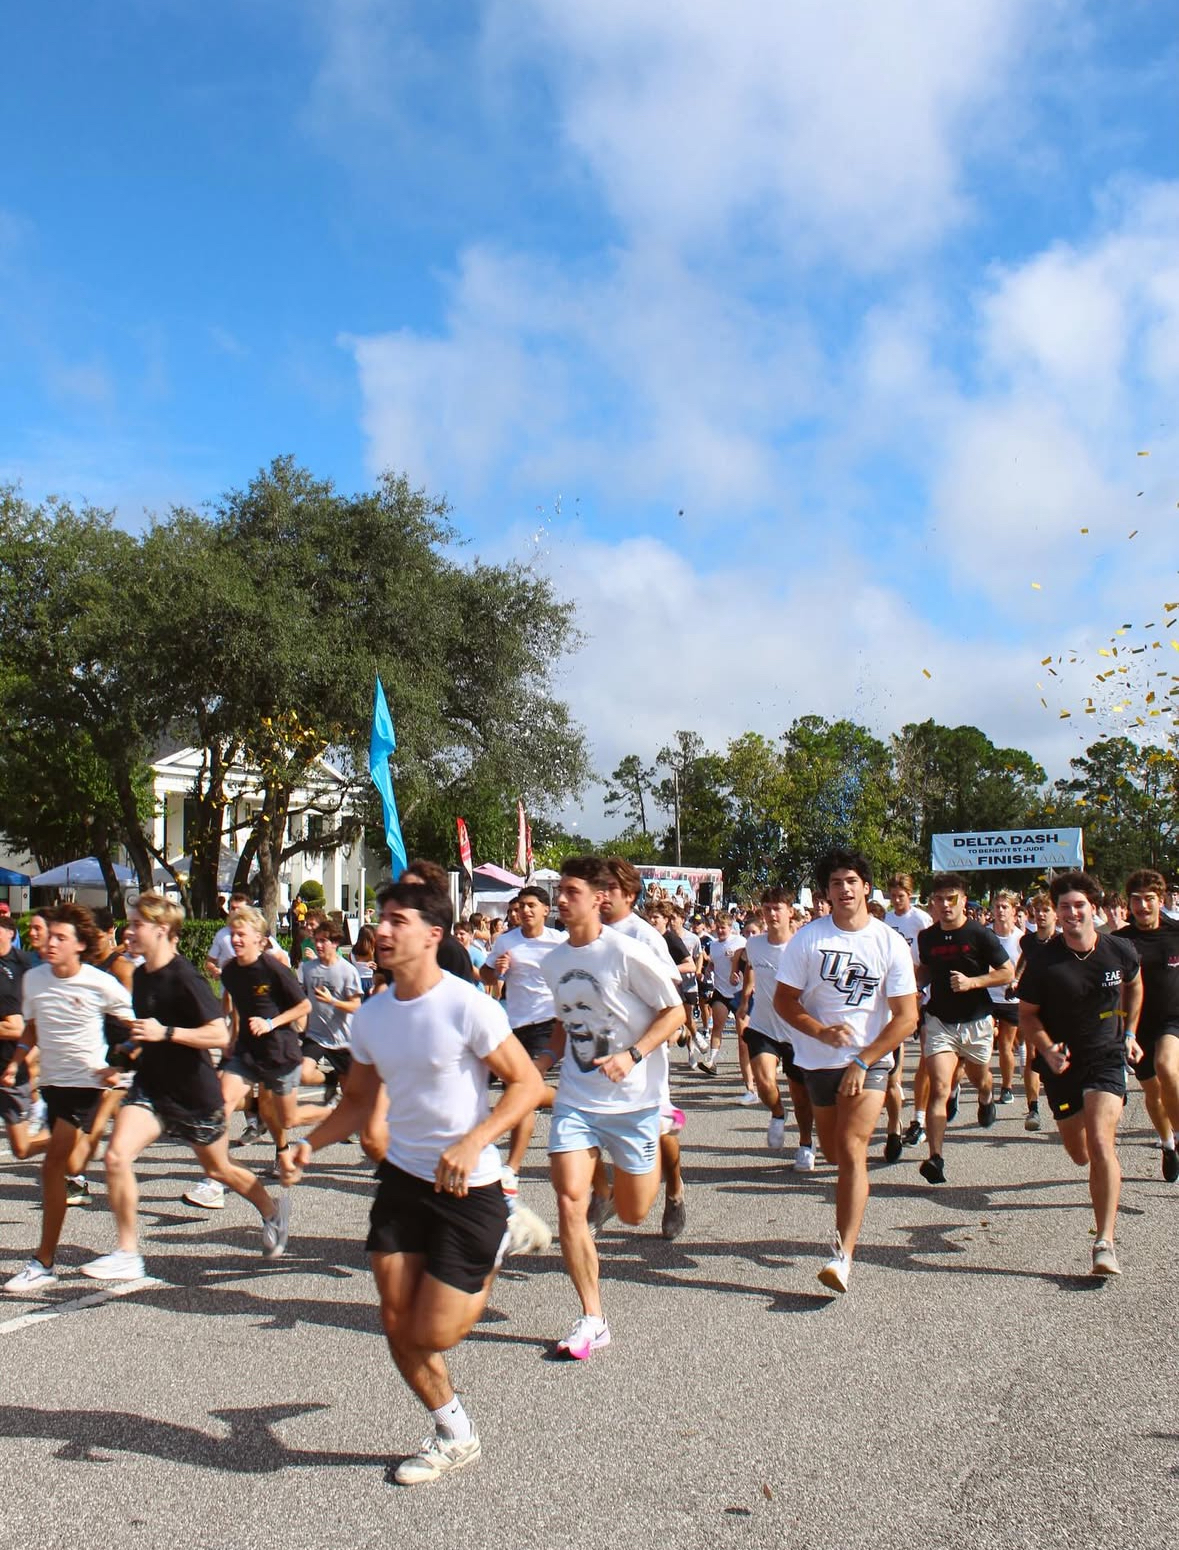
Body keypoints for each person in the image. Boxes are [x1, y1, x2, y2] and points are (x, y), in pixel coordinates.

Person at [280, 882, 544, 1485]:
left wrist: (476, 1141)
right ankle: (455, 1432)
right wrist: (309, 1145)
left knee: (435, 1332)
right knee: (398, 1323)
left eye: (398, 920)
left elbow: (527, 1085)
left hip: (468, 1188)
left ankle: (501, 1232)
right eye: (382, 918)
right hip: (403, 1180)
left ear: (432, 935)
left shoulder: (467, 1005)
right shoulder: (373, 1015)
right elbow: (356, 1102)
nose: (383, 929)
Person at [80, 894, 291, 1280]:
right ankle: (127, 1253)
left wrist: (167, 1032)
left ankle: (272, 1210)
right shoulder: (141, 976)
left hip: (194, 1093)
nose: (129, 931)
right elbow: (147, 1034)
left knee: (219, 1169)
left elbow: (218, 1033)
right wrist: (122, 1058)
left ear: (162, 930)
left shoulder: (184, 977)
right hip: (151, 1087)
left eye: (137, 924)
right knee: (116, 1156)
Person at [538, 857, 685, 1357]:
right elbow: (563, 1023)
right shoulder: (553, 962)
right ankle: (592, 1317)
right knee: (568, 1200)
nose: (560, 899)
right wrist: (543, 1060)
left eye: (571, 892)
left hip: (634, 1102)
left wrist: (633, 1054)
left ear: (599, 898)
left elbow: (674, 1012)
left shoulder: (627, 952)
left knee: (634, 1212)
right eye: (559, 891)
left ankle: (643, 1176)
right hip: (577, 1100)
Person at [773, 850, 917, 1294]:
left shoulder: (889, 942)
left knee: (853, 1150)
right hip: (817, 1061)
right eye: (836, 883)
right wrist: (819, 1031)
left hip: (868, 1061)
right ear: (827, 892)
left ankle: (842, 1255)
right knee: (835, 1153)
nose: (845, 889)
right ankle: (843, 1241)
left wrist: (863, 1060)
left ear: (866, 888)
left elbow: (907, 1017)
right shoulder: (807, 939)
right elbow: (784, 1001)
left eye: (852, 881)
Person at [4, 904, 134, 1292]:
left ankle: (43, 1261)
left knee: (53, 1166)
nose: (51, 943)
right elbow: (31, 1027)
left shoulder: (99, 982)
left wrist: (119, 1062)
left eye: (61, 938)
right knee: (71, 1163)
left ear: (79, 945)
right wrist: (16, 1062)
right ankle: (45, 1260)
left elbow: (135, 1024)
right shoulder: (34, 979)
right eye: (51, 936)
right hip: (54, 1085)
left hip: (88, 1083)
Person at [1018, 871, 1141, 1275]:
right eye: (1065, 907)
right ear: (1056, 912)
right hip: (1062, 1064)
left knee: (1103, 1141)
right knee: (1079, 1152)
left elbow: (1135, 986)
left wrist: (1129, 1032)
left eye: (1079, 905)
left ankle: (1104, 1242)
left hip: (1106, 1057)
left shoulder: (1119, 949)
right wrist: (1046, 1048)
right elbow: (1028, 1016)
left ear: (1093, 907)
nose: (1072, 913)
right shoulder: (1043, 961)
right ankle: (1097, 1171)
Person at [596, 860, 690, 1240]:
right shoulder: (587, 930)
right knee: (591, 1122)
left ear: (630, 895)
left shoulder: (643, 934)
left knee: (660, 1130)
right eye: (598, 887)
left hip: (642, 1050)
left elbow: (671, 983)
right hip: (600, 1051)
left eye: (610, 888)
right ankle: (604, 1193)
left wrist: (667, 1030)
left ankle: (675, 1189)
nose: (601, 895)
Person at [915, 873, 1013, 1185]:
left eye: (951, 899)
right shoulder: (927, 937)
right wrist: (912, 986)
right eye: (939, 899)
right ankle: (936, 1158)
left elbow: (1007, 972)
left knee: (979, 1078)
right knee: (939, 1087)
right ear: (933, 902)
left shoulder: (979, 935)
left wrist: (973, 982)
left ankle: (986, 1097)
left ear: (963, 901)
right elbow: (926, 971)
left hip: (976, 1021)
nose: (945, 905)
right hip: (940, 1021)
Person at [478, 884, 561, 1245]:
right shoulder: (506, 941)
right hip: (514, 1024)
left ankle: (511, 1168)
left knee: (523, 1090)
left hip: (548, 1022)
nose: (525, 911)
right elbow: (485, 977)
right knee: (525, 1092)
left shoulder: (559, 941)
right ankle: (579, 1102)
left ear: (545, 909)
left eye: (531, 905)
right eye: (521, 906)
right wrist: (497, 971)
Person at [739, 886, 815, 1170]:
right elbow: (752, 970)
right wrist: (745, 999)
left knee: (801, 1097)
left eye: (777, 908)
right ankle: (778, 1113)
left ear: (790, 912)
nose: (771, 914)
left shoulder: (802, 947)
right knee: (764, 1082)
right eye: (767, 908)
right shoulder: (754, 944)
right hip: (763, 1025)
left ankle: (806, 1144)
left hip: (796, 1031)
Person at [1116, 869, 1179, 1182]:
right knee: (1152, 1092)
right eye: (1136, 900)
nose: (1142, 906)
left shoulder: (1176, 933)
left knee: (1166, 1067)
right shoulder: (1120, 941)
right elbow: (1113, 988)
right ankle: (1167, 1145)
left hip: (1173, 1018)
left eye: (1149, 899)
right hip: (1138, 1025)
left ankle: (1178, 1134)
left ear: (1161, 899)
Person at [885, 875, 931, 1155]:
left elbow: (929, 958)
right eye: (892, 896)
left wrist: (920, 986)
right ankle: (897, 1090)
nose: (896, 900)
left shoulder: (921, 919)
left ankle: (920, 1117)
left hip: (921, 989)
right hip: (896, 990)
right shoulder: (887, 920)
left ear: (909, 895)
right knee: (896, 1042)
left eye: (900, 896)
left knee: (927, 1053)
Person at [0, 913, 44, 1163]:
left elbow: (18, 1028)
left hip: (9, 1065)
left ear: (10, 934)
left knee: (21, 1149)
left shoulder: (22, 965)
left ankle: (70, 1136)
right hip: (12, 1064)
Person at [1016, 892, 1058, 1131]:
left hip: (1059, 1006)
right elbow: (1023, 962)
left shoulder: (1062, 941)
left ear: (1055, 914)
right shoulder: (1028, 941)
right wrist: (1015, 980)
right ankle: (1033, 1108)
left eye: (1046, 910)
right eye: (1037, 911)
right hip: (1034, 1005)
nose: (1040, 915)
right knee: (1033, 1055)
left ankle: (1065, 1101)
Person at [987, 891, 1025, 1106]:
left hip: (1010, 1000)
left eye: (1005, 907)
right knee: (984, 1043)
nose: (1000, 911)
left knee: (1005, 1046)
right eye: (997, 907)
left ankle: (1007, 1087)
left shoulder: (1020, 938)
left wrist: (1016, 981)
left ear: (1013, 910)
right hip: (987, 997)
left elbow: (1025, 966)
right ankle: (985, 1086)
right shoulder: (985, 935)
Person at [700, 913, 745, 1076]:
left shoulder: (740, 942)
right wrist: (708, 968)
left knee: (743, 1033)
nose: (720, 931)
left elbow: (749, 963)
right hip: (721, 991)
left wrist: (739, 971)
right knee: (718, 1026)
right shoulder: (713, 945)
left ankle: (747, 1064)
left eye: (723, 928)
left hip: (739, 992)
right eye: (718, 928)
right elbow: (713, 961)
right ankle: (711, 1061)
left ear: (730, 928)